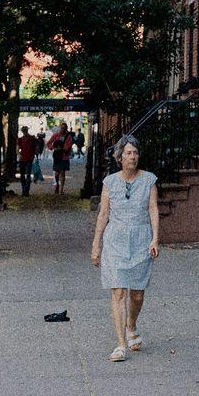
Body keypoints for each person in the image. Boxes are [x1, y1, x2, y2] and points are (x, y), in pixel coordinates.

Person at [90, 136, 159, 362]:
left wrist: (155, 239)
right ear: (120, 158)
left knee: (137, 293)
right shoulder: (109, 182)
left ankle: (132, 325)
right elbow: (103, 214)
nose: (133, 156)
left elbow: (153, 209)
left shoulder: (149, 180)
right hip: (115, 240)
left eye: (135, 153)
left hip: (141, 238)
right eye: (128, 153)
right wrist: (96, 244)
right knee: (118, 292)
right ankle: (120, 344)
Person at [47, 121, 74, 196]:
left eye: (64, 128)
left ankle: (61, 189)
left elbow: (69, 145)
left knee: (62, 172)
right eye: (62, 128)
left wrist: (63, 149)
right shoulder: (56, 135)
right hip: (57, 157)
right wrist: (53, 148)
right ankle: (57, 184)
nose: (63, 129)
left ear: (66, 129)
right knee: (56, 173)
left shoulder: (68, 137)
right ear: (60, 128)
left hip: (64, 156)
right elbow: (49, 143)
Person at [16, 125, 37, 196]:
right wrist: (19, 155)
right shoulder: (20, 139)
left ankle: (26, 190)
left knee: (27, 175)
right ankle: (24, 190)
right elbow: (17, 149)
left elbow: (35, 147)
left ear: (27, 130)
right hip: (23, 159)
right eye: (23, 131)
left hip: (29, 158)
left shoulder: (32, 138)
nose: (24, 132)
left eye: (25, 130)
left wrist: (35, 155)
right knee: (22, 175)